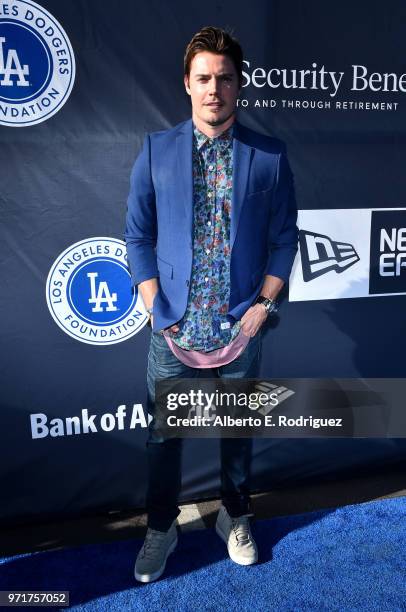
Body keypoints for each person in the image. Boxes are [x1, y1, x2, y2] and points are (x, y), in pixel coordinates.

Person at [125, 26, 298, 583]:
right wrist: (156, 305)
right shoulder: (156, 149)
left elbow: (283, 240)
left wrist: (262, 307)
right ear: (187, 84)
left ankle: (236, 516)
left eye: (225, 78)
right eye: (204, 78)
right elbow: (137, 235)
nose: (214, 89)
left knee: (238, 431)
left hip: (241, 328)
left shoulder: (269, 156)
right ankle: (160, 526)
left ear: (239, 85)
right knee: (164, 436)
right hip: (172, 328)